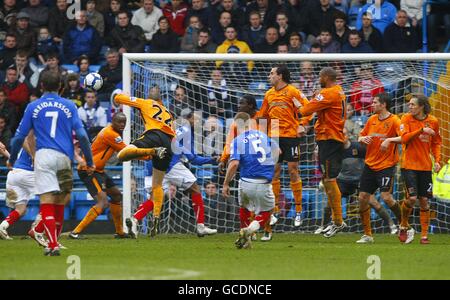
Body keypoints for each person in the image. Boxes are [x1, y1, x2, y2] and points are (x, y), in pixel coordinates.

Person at [8, 71, 94, 256]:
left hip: (44, 156)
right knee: (62, 200)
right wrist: (90, 160)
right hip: (64, 157)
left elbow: (18, 138)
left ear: (41, 87)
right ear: (61, 88)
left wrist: (12, 158)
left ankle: (52, 244)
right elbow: (82, 136)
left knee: (47, 200)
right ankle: (54, 240)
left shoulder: (33, 106)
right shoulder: (69, 105)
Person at [133, 109, 218, 238]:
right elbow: (193, 159)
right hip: (170, 165)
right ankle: (201, 227)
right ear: (189, 120)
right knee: (195, 189)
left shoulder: (174, 131)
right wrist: (213, 159)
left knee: (154, 198)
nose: (200, 122)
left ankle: (134, 219)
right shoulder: (186, 132)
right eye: (197, 119)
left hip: (154, 166)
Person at [256, 64, 310, 241]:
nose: (269, 75)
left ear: (280, 76)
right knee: (275, 173)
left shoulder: (292, 92)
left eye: (272, 73)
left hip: (291, 135)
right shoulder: (269, 94)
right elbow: (263, 115)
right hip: (274, 137)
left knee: (293, 170)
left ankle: (299, 210)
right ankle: (276, 211)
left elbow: (308, 108)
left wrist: (303, 124)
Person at [113, 91, 175, 237]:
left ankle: (152, 151)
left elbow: (118, 99)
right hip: (169, 143)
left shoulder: (146, 102)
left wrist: (122, 94)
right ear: (161, 100)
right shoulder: (168, 113)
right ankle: (156, 216)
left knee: (122, 155)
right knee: (157, 185)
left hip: (153, 136)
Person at [299, 67, 347, 238]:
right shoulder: (338, 90)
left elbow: (305, 110)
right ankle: (336, 220)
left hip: (330, 139)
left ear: (326, 77)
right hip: (329, 138)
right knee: (326, 180)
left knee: (329, 180)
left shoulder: (328, 93)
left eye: (320, 76)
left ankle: (338, 222)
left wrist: (304, 99)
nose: (318, 79)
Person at [69, 113, 131, 239]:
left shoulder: (108, 131)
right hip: (89, 170)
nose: (122, 125)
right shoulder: (111, 134)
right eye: (119, 122)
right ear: (112, 121)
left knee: (116, 195)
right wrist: (148, 154)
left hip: (98, 170)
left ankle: (120, 232)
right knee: (102, 202)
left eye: (124, 122)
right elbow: (126, 151)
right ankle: (75, 232)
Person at [222, 112, 279, 249]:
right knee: (268, 211)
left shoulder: (237, 140)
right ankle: (250, 230)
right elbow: (278, 151)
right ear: (250, 123)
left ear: (236, 124)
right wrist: (268, 166)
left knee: (244, 208)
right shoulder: (264, 136)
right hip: (263, 182)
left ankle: (246, 239)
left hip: (246, 182)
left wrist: (226, 183)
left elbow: (234, 164)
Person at [355, 93, 403, 243]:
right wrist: (362, 139)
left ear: (384, 105)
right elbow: (360, 136)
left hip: (386, 165)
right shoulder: (372, 119)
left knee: (386, 197)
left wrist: (389, 140)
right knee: (362, 197)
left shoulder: (395, 120)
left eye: (375, 102)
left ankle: (405, 225)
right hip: (370, 164)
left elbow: (404, 137)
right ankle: (368, 234)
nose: (372, 104)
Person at [399, 94, 442, 244]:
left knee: (424, 200)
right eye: (409, 104)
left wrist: (437, 161)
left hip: (425, 166)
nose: (409, 107)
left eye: (412, 104)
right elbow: (404, 139)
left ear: (422, 106)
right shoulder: (405, 118)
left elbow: (436, 143)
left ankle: (424, 235)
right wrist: (421, 130)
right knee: (411, 198)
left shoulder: (433, 121)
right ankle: (403, 225)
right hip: (408, 165)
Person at [0, 140, 40, 241]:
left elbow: (11, 160)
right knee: (52, 199)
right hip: (27, 174)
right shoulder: (40, 139)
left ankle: (2, 226)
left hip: (13, 175)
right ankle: (37, 228)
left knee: (21, 210)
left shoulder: (21, 147)